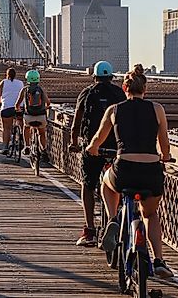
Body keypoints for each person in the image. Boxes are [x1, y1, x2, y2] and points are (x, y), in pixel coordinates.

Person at [86, 64, 174, 278]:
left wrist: (92, 149)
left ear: (124, 88)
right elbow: (165, 144)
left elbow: (98, 138)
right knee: (150, 214)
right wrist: (165, 156)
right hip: (151, 171)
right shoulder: (157, 109)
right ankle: (159, 260)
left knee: (106, 183)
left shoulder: (114, 110)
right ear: (145, 89)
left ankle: (114, 217)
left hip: (124, 168)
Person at [69, 61, 126, 246]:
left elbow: (77, 120)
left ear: (94, 76)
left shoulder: (87, 93)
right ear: (111, 77)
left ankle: (90, 231)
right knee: (116, 184)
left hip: (93, 148)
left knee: (88, 185)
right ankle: (116, 218)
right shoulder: (119, 93)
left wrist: (74, 142)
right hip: (115, 148)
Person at [15, 69, 50, 162]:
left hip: (29, 116)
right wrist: (46, 108)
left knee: (26, 127)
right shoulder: (41, 89)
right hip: (41, 116)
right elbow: (48, 102)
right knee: (42, 133)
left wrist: (17, 108)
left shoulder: (25, 89)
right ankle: (43, 150)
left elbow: (17, 103)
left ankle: (27, 146)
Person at [0, 68, 24, 155]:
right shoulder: (20, 83)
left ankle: (5, 147)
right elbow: (23, 94)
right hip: (19, 107)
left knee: (6, 128)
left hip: (6, 107)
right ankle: (21, 138)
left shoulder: (4, 82)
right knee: (20, 121)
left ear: (6, 74)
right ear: (15, 75)